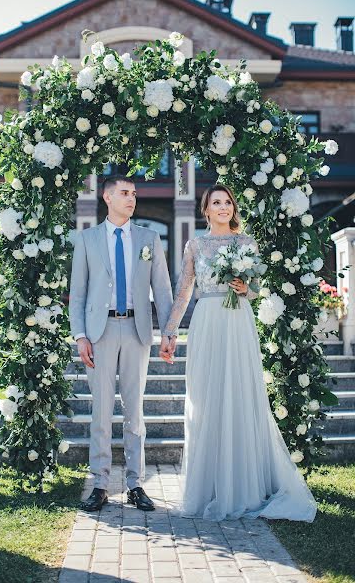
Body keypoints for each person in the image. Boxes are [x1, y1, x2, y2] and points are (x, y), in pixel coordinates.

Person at [160, 184, 317, 522]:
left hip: (238, 321)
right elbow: (185, 290)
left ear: (233, 207)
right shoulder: (195, 245)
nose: (223, 207)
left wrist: (248, 288)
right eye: (216, 202)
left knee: (241, 395)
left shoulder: (246, 243)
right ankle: (210, 487)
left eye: (227, 202)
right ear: (205, 209)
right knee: (206, 397)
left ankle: (243, 486)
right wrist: (170, 332)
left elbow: (259, 288)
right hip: (206, 321)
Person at [69, 175, 173, 511]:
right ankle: (100, 484)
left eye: (134, 194)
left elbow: (163, 289)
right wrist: (80, 335)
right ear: (107, 197)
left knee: (135, 411)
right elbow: (78, 293)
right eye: (125, 193)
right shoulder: (87, 239)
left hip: (136, 330)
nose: (132, 199)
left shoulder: (149, 238)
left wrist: (169, 332)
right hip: (98, 333)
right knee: (101, 411)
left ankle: (135, 484)